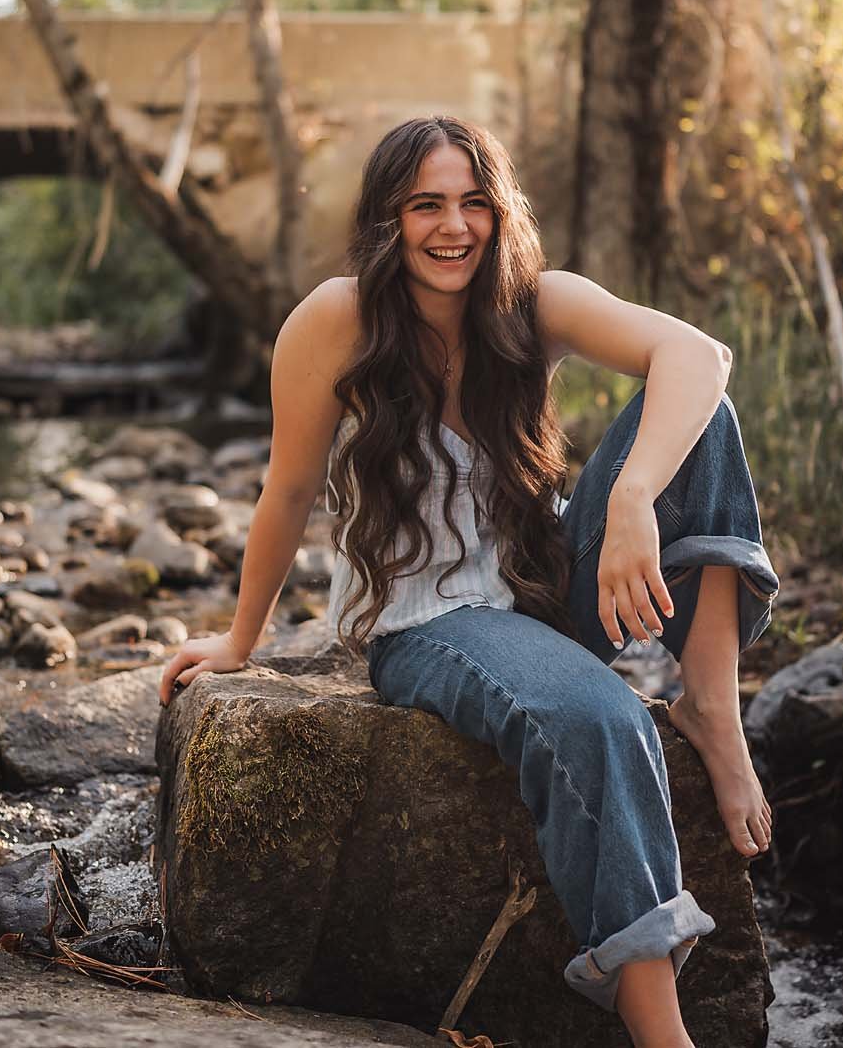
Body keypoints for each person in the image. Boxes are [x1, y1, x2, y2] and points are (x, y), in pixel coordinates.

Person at [160, 115, 779, 1048]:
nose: (454, 226)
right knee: (600, 717)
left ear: (500, 211)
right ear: (387, 221)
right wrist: (239, 642)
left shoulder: (532, 302)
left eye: (474, 201)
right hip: (428, 620)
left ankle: (710, 711)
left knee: (705, 412)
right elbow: (287, 488)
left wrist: (633, 497)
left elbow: (700, 355)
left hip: (543, 582)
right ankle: (662, 1031)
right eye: (427, 205)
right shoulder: (336, 321)